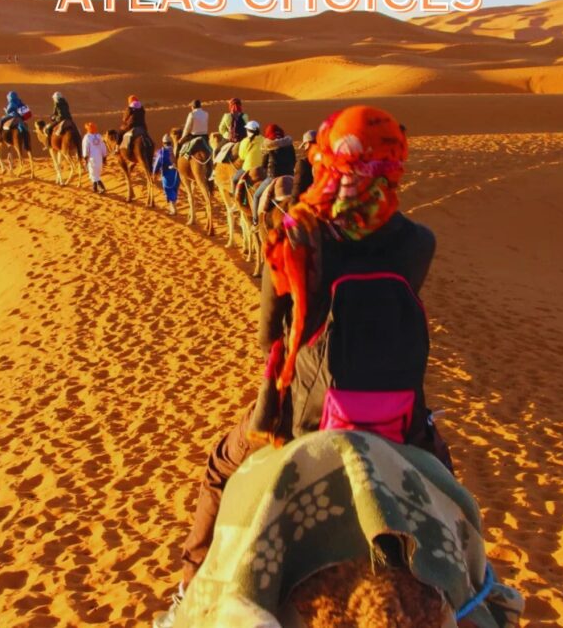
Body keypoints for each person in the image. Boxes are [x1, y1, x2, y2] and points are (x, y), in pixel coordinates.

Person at [153, 105, 448, 628]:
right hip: (400, 417)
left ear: (327, 155)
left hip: (303, 414)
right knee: (448, 495)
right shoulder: (419, 241)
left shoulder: (296, 230)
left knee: (220, 467)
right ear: (394, 159)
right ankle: (467, 592)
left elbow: (270, 336)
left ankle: (189, 589)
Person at [252, 124, 296, 224]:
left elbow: (263, 165)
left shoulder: (268, 147)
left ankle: (255, 221)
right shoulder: (289, 145)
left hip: (273, 177)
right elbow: (294, 161)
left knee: (256, 196)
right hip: (290, 175)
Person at [230, 120, 263, 199]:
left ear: (248, 131)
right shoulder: (263, 139)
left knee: (234, 179)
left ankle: (234, 197)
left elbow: (242, 156)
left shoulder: (245, 141)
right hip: (262, 168)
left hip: (248, 168)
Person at [153, 133, 180, 215]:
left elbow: (157, 163)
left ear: (163, 142)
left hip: (167, 175)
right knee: (175, 190)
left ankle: (173, 210)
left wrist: (154, 173)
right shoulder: (176, 151)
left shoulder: (161, 152)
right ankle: (173, 208)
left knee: (169, 191)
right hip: (177, 175)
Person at [81, 122, 109, 193]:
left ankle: (102, 187)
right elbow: (103, 147)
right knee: (96, 173)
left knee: (93, 174)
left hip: (92, 158)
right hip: (99, 158)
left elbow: (85, 148)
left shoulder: (87, 137)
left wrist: (85, 157)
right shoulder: (99, 136)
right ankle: (95, 188)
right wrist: (104, 156)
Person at [293, 129, 316, 198]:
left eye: (304, 145)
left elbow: (297, 188)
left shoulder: (302, 164)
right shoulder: (328, 160)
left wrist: (292, 204)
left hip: (309, 200)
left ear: (308, 144)